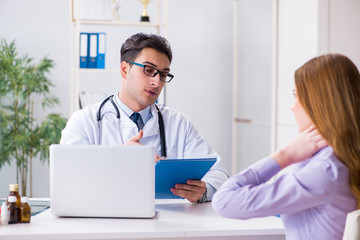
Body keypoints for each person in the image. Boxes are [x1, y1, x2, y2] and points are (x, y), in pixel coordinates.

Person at [60, 32, 229, 203]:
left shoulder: (178, 123)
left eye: (163, 75)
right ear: (125, 69)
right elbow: (67, 181)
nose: (157, 82)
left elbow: (219, 174)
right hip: (106, 223)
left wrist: (203, 191)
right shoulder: (84, 122)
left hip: (167, 224)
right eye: (148, 70)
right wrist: (118, 159)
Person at [212, 53, 360, 239]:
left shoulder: (325, 170)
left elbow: (224, 201)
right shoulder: (339, 158)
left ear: (319, 102)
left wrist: (284, 156)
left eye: (296, 95)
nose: (292, 107)